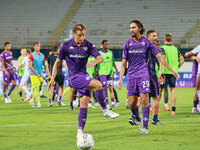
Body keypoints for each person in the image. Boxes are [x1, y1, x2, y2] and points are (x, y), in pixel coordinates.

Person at [117, 20, 179, 135]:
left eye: (134, 27)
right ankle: (138, 118)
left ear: (139, 28)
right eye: (130, 28)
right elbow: (124, 63)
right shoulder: (127, 44)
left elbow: (160, 57)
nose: (131, 30)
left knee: (145, 99)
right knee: (132, 103)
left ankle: (145, 127)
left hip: (143, 74)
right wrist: (120, 79)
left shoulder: (147, 43)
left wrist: (172, 71)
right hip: (131, 75)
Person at [159, 33, 184, 115]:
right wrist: (177, 68)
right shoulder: (175, 49)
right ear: (171, 39)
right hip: (173, 73)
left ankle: (157, 107)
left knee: (160, 90)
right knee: (173, 90)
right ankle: (173, 110)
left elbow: (163, 59)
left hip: (165, 72)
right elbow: (182, 60)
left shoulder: (162, 48)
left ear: (164, 39)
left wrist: (161, 71)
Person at [146, 30, 164, 125]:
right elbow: (156, 61)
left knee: (142, 96)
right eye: (154, 36)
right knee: (155, 97)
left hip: (142, 74)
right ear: (148, 37)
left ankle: (134, 116)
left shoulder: (142, 45)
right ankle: (154, 120)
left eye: (156, 36)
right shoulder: (150, 46)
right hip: (150, 74)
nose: (156, 38)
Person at [97, 40, 119, 108]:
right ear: (102, 45)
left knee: (111, 88)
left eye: (108, 44)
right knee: (104, 88)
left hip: (110, 72)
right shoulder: (99, 53)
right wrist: (95, 73)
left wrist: (116, 69)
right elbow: (96, 64)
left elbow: (113, 62)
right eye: (106, 44)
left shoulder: (110, 52)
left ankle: (112, 103)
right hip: (102, 73)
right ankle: (107, 103)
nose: (107, 45)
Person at [28, 42, 50, 108]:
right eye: (37, 46)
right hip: (33, 74)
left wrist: (49, 74)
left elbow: (45, 66)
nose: (38, 47)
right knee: (37, 87)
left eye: (39, 46)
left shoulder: (42, 55)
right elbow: (30, 66)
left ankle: (32, 99)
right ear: (34, 47)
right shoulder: (31, 55)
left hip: (40, 74)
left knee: (38, 88)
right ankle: (38, 103)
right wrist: (36, 73)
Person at [185, 45, 200, 114]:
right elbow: (187, 54)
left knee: (198, 90)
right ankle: (195, 107)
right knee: (197, 89)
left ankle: (196, 107)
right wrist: (196, 57)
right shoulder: (198, 47)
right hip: (197, 72)